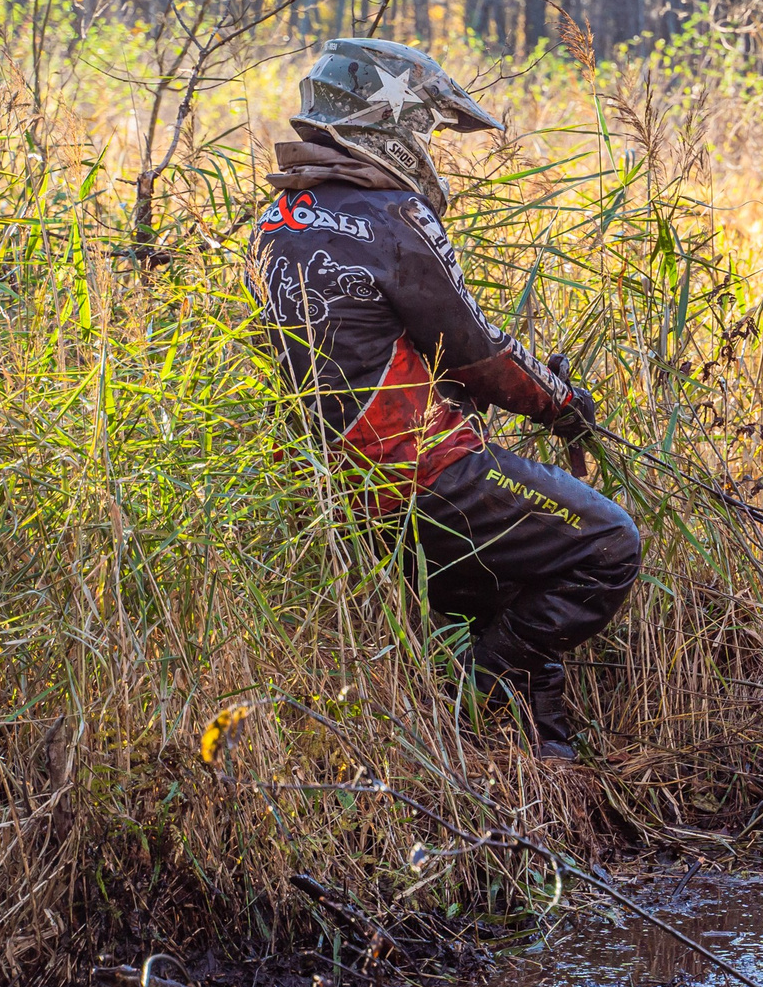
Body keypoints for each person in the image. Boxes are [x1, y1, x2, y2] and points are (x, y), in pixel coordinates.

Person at [247, 37, 640, 760]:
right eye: (426, 129)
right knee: (609, 542)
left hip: (339, 493)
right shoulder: (393, 215)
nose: (432, 148)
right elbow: (476, 351)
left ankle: (546, 770)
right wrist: (561, 401)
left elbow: (372, 347)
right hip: (424, 474)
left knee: (517, 583)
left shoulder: (277, 222)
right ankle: (472, 698)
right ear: (386, 124)